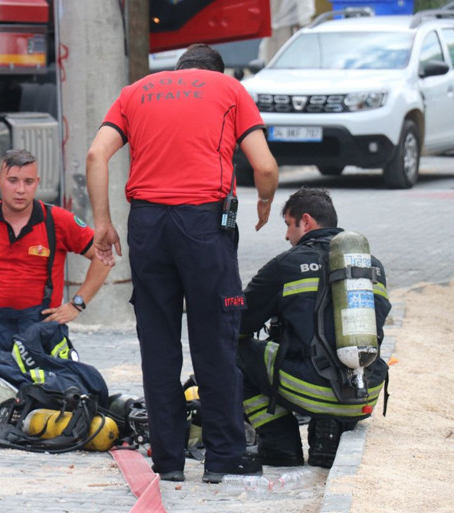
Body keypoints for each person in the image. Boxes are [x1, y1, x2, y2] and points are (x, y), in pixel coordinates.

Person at [85, 43, 279, 483]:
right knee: (215, 340)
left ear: (178, 69)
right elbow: (264, 167)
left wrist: (102, 222)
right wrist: (265, 202)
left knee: (158, 347)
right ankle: (222, 457)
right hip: (204, 226)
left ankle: (168, 462)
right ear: (217, 70)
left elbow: (97, 155)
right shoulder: (229, 89)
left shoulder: (136, 91)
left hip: (148, 226)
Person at [0, 149, 111, 417]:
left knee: (58, 394)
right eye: (13, 180)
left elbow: (102, 256)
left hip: (40, 326)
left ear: (37, 183)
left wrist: (77, 304)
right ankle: (3, 372)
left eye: (28, 182)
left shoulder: (57, 221)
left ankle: (4, 374)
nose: (21, 190)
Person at [237, 188, 390, 468]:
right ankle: (326, 440)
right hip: (363, 393)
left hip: (310, 389)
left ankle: (280, 445)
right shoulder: (371, 265)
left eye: (288, 224)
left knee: (232, 351)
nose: (286, 236)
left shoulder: (286, 265)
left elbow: (238, 324)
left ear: (305, 222)